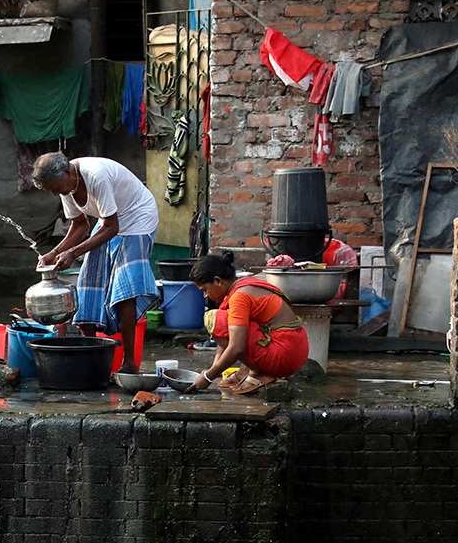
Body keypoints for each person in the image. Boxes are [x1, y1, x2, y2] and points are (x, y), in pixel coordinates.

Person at [30, 152, 162, 374]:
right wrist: (54, 252)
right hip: (109, 222)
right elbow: (80, 225)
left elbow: (112, 228)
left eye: (55, 188)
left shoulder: (96, 175)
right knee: (88, 283)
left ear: (68, 172)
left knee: (125, 290)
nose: (55, 193)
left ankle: (129, 364)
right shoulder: (66, 186)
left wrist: (73, 252)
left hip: (138, 218)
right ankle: (89, 355)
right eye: (50, 191)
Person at [187, 251, 310, 395]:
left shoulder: (239, 297)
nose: (205, 295)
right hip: (295, 350)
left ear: (218, 281)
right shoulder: (243, 285)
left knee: (214, 319)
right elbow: (226, 337)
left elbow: (236, 347)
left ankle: (259, 373)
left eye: (205, 290)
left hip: (283, 355)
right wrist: (214, 368)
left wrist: (209, 376)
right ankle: (246, 370)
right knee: (226, 320)